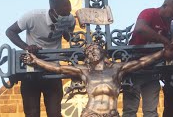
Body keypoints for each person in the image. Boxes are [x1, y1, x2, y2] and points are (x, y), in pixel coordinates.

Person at [21, 42, 165, 117]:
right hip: (90, 113)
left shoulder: (117, 69)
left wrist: (163, 52)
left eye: (95, 49)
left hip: (111, 114)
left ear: (102, 52)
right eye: (88, 52)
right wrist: (35, 61)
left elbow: (141, 63)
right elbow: (58, 69)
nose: (92, 53)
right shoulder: (85, 71)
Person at [5, 0, 76, 117]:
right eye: (63, 14)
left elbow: (69, 36)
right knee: (32, 113)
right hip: (32, 70)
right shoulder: (33, 17)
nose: (66, 16)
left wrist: (68, 32)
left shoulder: (70, 19)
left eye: (68, 13)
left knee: (55, 113)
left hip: (53, 69)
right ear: (53, 11)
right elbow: (10, 31)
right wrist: (26, 47)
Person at [122, 0, 173, 117]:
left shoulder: (169, 26)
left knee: (151, 112)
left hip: (152, 72)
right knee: (130, 111)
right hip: (134, 69)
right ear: (165, 6)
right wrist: (165, 41)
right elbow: (140, 29)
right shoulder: (149, 13)